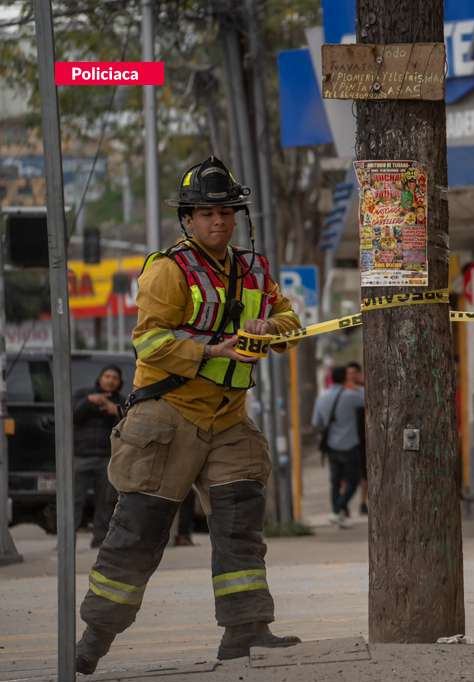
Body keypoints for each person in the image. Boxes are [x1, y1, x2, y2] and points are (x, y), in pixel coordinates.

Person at [75, 156, 303, 674]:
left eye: (225, 212)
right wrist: (215, 351)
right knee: (138, 532)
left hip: (229, 417)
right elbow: (150, 343)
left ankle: (246, 631)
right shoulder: (167, 271)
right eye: (205, 213)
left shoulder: (254, 269)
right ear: (187, 219)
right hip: (168, 417)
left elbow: (288, 318)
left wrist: (274, 326)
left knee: (241, 524)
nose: (218, 222)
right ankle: (92, 642)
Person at [72, 366, 124, 549]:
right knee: (74, 501)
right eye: (107, 376)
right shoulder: (83, 395)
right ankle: (67, 540)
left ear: (120, 382)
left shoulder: (122, 402)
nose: (110, 380)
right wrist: (89, 401)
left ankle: (100, 540)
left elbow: (131, 424)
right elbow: (73, 416)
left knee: (105, 502)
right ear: (100, 378)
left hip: (107, 459)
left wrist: (115, 411)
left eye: (114, 378)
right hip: (81, 456)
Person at [312, 363, 365, 528]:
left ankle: (338, 513)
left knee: (335, 481)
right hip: (350, 444)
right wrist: (355, 386)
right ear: (344, 378)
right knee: (353, 480)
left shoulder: (322, 398)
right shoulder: (352, 395)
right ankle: (337, 510)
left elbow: (316, 422)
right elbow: (367, 397)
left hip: (331, 447)